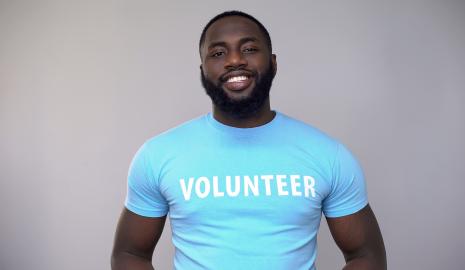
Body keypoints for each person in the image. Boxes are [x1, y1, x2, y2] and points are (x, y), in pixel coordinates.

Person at [111, 10, 386, 270]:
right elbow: (129, 253)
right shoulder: (158, 155)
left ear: (274, 63)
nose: (234, 60)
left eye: (249, 49)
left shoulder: (328, 155)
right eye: (218, 53)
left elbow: (366, 254)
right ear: (202, 70)